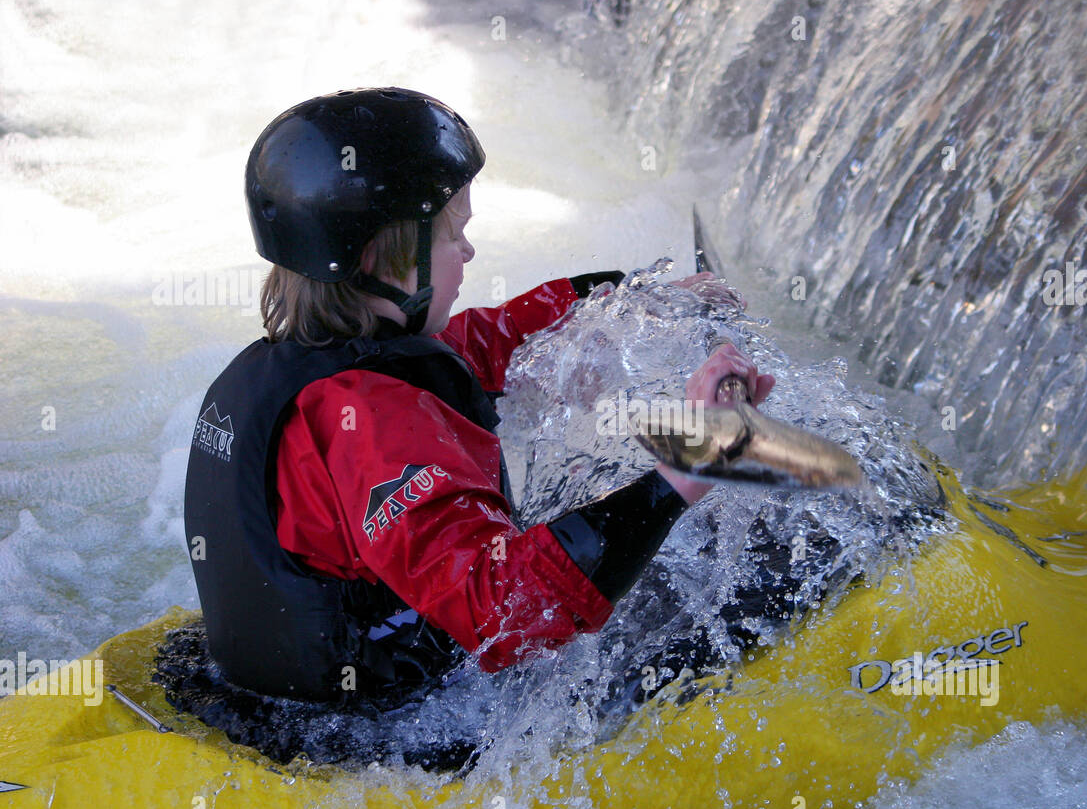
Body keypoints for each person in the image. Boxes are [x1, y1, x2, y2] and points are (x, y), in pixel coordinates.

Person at [181, 86, 776, 709]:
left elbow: (487, 344)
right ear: (384, 260)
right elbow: (501, 611)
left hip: (271, 681)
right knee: (719, 601)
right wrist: (683, 471)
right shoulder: (375, 427)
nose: (469, 251)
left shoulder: (314, 368)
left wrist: (625, 300)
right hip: (369, 732)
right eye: (454, 234)